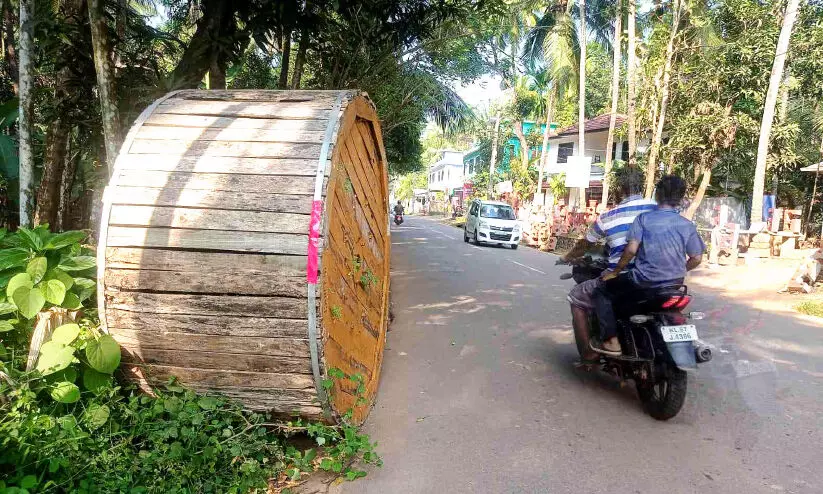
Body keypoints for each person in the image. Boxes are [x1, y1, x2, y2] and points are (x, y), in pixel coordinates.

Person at [591, 175, 705, 356]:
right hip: (675, 284)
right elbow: (697, 258)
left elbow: (630, 250)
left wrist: (616, 271)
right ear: (681, 198)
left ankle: (611, 341)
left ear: (657, 194)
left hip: (643, 281)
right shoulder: (687, 225)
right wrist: (679, 270)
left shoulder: (644, 219)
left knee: (601, 291)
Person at [562, 168, 657, 361]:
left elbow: (585, 244)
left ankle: (590, 354)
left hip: (625, 277)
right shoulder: (658, 208)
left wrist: (567, 257)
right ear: (641, 185)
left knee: (576, 296)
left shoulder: (609, 216)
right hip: (662, 276)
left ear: (620, 189)